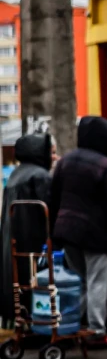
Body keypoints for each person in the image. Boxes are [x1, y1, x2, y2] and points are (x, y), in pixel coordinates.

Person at [49, 116, 107, 349]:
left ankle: (70, 327)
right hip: (97, 234)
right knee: (97, 281)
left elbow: (53, 199)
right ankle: (95, 330)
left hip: (67, 232)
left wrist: (54, 231)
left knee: (78, 281)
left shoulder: (65, 162)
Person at [0, 133, 53, 325]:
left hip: (14, 239)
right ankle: (40, 322)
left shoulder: (16, 174)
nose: (53, 157)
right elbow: (48, 208)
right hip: (33, 240)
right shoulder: (40, 175)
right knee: (36, 283)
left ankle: (17, 318)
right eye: (51, 152)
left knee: (17, 281)